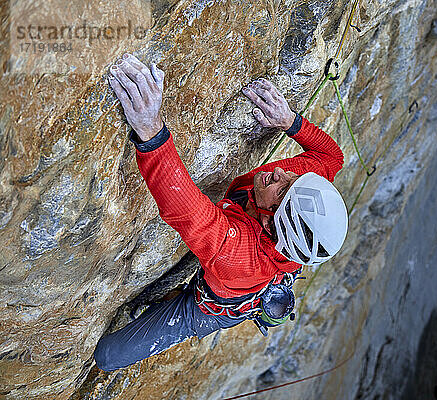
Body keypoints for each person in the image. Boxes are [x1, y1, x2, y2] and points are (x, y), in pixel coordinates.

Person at [94, 53, 348, 371]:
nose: (281, 174)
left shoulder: (240, 256)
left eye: (282, 191)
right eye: (293, 179)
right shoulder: (303, 193)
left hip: (217, 305)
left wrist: (151, 133)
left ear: (269, 221)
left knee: (108, 356)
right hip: (257, 265)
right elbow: (331, 157)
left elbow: (186, 210)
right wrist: (290, 122)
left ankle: (195, 311)